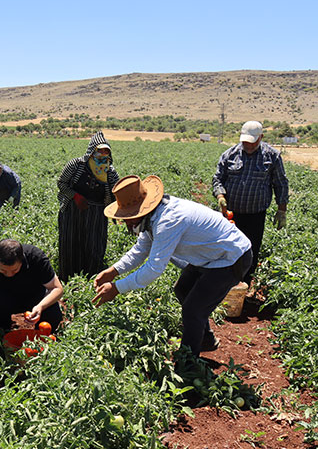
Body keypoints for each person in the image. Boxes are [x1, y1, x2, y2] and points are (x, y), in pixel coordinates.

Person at [92, 175, 252, 357]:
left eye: (129, 216)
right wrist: (114, 271)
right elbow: (141, 249)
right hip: (210, 256)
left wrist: (116, 288)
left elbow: (154, 268)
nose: (127, 222)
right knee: (183, 289)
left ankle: (188, 365)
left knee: (193, 309)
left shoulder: (168, 220)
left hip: (232, 257)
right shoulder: (151, 216)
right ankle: (204, 339)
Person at [212, 121, 289, 287]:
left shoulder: (272, 156)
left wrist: (282, 211)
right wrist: (220, 195)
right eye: (245, 141)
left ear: (261, 137)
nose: (248, 145)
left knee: (250, 250)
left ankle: (244, 285)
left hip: (256, 215)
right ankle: (224, 284)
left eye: (252, 141)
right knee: (227, 249)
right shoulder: (229, 155)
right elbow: (218, 178)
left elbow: (281, 183)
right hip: (231, 214)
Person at [57, 131, 120, 280]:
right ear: (92, 150)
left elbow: (117, 191)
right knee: (71, 245)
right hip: (73, 210)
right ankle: (67, 281)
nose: (103, 153)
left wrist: (117, 211)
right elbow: (61, 183)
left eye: (106, 150)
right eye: (100, 150)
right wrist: (76, 196)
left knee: (94, 247)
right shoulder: (77, 165)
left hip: (97, 213)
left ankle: (93, 280)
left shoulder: (109, 171)